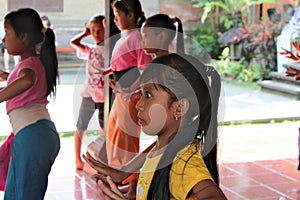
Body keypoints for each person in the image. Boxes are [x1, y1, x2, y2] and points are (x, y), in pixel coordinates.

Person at [91, 53, 226, 199]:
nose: (139, 104)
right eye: (141, 94)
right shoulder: (167, 147)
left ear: (179, 107)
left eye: (148, 95)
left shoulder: (184, 162)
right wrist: (124, 171)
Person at [0, 8, 60, 199]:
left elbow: (27, 81)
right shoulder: (32, 63)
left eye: (7, 33)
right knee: (16, 193)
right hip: (34, 135)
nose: (3, 39)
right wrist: (7, 77)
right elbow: (23, 81)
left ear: (24, 37)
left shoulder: (30, 66)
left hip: (33, 136)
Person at [99, 0, 152, 197]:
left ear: (131, 15)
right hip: (122, 94)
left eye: (117, 15)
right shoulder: (126, 37)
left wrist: (130, 89)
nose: (115, 20)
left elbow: (144, 67)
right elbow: (123, 63)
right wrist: (109, 71)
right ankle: (123, 176)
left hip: (131, 96)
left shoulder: (138, 37)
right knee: (115, 135)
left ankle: (132, 184)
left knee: (127, 140)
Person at [70, 14, 106, 170]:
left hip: (104, 96)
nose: (96, 33)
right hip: (89, 94)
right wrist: (85, 33)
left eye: (100, 30)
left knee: (104, 129)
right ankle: (78, 159)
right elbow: (73, 42)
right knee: (81, 126)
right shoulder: (90, 50)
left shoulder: (110, 49)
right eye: (93, 30)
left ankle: (101, 158)